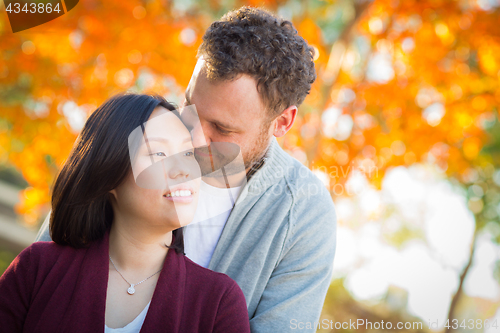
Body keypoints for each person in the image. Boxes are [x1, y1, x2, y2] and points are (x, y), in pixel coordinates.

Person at [35, 6, 337, 332]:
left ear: (282, 122)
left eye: (221, 128)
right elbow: (43, 268)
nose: (191, 138)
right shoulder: (138, 133)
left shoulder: (304, 214)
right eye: (188, 106)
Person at [0, 93, 250, 333]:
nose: (184, 170)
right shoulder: (36, 269)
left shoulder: (219, 304)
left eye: (187, 153)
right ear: (109, 173)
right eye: (158, 154)